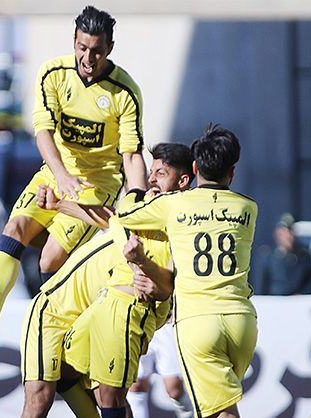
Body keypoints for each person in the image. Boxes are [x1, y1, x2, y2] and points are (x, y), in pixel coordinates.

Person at [0, 5, 148, 346]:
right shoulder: (52, 73)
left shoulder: (125, 91)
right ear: (74, 41)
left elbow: (131, 154)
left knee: (50, 257)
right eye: (82, 48)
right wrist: (61, 175)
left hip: (97, 186)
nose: (88, 58)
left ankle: (57, 332)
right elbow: (43, 132)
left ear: (110, 48)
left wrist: (137, 201)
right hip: (55, 174)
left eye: (97, 50)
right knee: (14, 229)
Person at [21, 143, 194, 418]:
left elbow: (171, 283)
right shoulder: (139, 208)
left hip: (97, 312)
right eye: (151, 172)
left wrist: (159, 283)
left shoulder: (180, 224)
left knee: (110, 397)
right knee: (41, 399)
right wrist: (59, 205)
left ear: (183, 180)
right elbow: (112, 215)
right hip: (55, 309)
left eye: (160, 173)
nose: (151, 180)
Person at [116, 124, 258, 418]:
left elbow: (126, 213)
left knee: (222, 412)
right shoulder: (248, 208)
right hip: (242, 321)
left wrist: (138, 190)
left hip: (198, 321)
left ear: (194, 168)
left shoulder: (174, 204)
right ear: (232, 172)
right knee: (219, 408)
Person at [128, 321, 194, 418]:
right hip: (138, 323)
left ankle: (192, 415)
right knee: (136, 385)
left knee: (174, 389)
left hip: (164, 324)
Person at [256, 213, 311, 295]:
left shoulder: (304, 256)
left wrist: (302, 294)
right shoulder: (268, 256)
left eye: (290, 232)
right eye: (284, 232)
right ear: (277, 234)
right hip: (274, 300)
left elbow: (310, 280)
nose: (288, 236)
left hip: (297, 300)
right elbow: (261, 284)